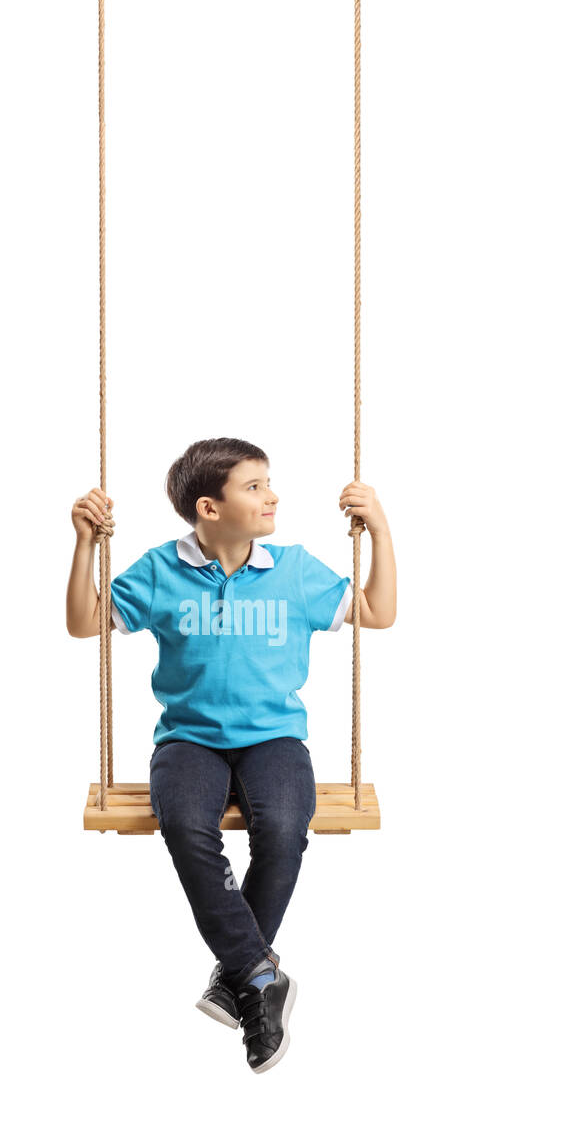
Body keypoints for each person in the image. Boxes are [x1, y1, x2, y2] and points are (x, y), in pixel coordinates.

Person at [66, 438, 397, 1073]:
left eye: (268, 482)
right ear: (208, 509)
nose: (271, 495)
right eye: (253, 486)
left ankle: (240, 976)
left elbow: (377, 612)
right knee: (187, 826)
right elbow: (86, 622)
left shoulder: (293, 570)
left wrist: (378, 528)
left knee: (283, 828)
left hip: (273, 737)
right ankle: (257, 973)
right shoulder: (163, 570)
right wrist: (85, 543)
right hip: (188, 739)